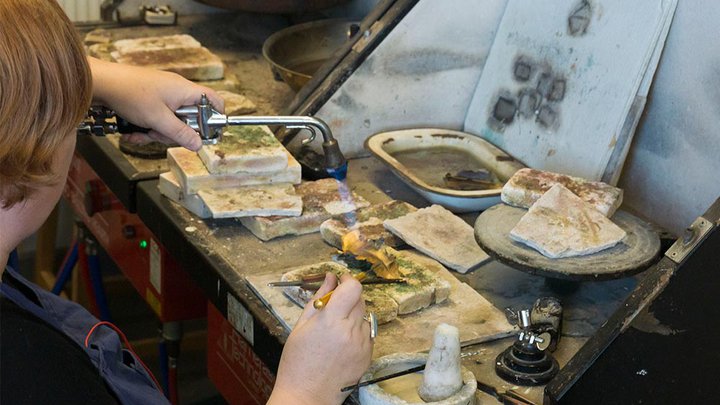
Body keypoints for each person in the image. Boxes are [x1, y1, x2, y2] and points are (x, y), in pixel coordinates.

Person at [0, 1, 372, 404]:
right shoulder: (32, 373)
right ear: (25, 149)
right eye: (71, 120)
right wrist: (307, 391)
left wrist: (94, 78)